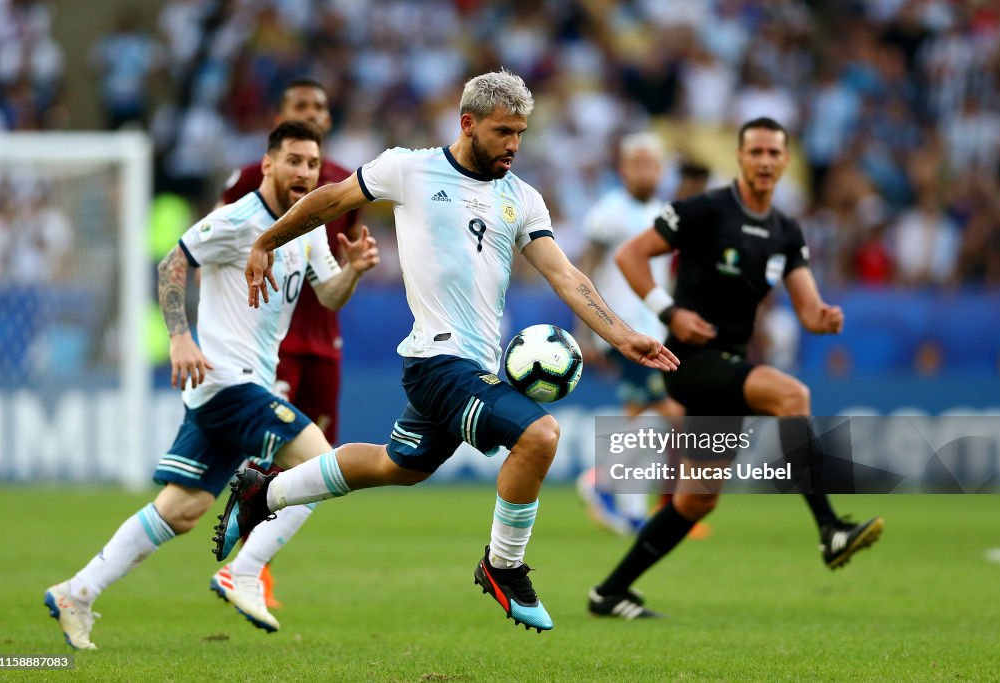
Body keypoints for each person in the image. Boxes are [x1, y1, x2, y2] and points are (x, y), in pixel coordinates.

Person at [212, 70, 679, 634]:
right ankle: (503, 565)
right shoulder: (409, 168)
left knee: (397, 465)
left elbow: (564, 273)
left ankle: (265, 492)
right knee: (540, 435)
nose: (513, 144)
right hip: (437, 362)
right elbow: (330, 200)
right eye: (503, 131)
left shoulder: (522, 198)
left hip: (473, 365)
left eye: (521, 134)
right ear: (468, 123)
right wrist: (265, 241)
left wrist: (622, 334)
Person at [43, 121, 380, 649]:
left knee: (181, 510)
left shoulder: (309, 227)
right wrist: (179, 337)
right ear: (267, 164)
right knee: (321, 466)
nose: (304, 172)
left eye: (312, 164)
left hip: (230, 390)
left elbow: (330, 297)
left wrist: (353, 271)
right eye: (293, 160)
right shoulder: (239, 219)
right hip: (227, 381)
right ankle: (242, 571)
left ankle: (77, 592)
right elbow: (171, 262)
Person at [587, 117, 884, 620]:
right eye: (756, 152)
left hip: (730, 365)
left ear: (785, 161)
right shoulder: (705, 210)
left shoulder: (786, 230)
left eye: (774, 153)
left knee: (697, 499)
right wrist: (670, 312)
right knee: (792, 396)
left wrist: (823, 318)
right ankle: (830, 529)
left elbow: (808, 308)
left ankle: (610, 592)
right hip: (691, 362)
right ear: (741, 158)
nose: (765, 161)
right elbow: (630, 255)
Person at [217, 78, 361, 609]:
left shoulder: (345, 182)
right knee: (272, 457)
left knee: (314, 467)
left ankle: (251, 567)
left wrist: (356, 271)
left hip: (324, 337)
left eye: (320, 106)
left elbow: (335, 262)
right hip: (272, 338)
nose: (314, 113)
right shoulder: (251, 179)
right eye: (301, 106)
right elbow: (214, 241)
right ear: (279, 116)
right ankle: (249, 569)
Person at [574, 144, 708, 536]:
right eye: (638, 164)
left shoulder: (660, 213)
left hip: (655, 329)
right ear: (624, 168)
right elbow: (584, 271)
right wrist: (586, 327)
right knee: (674, 413)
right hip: (623, 331)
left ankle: (631, 509)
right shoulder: (608, 213)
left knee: (640, 416)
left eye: (653, 164)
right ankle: (600, 479)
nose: (646, 172)